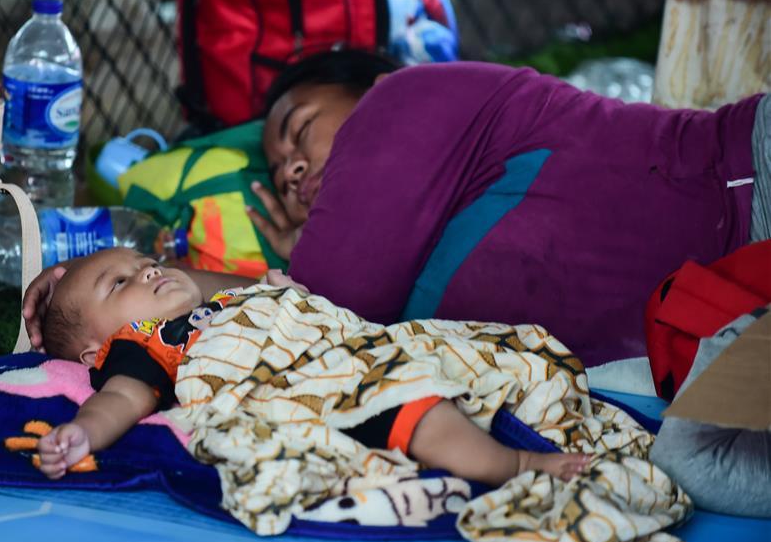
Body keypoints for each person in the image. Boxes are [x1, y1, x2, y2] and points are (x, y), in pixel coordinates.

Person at [244, 50, 769, 367]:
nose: (290, 171)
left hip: (748, 187)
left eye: (301, 129)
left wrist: (299, 270)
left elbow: (319, 313)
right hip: (726, 311)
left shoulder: (400, 97)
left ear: (370, 85)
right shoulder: (413, 226)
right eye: (279, 170)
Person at [34, 247, 589, 485]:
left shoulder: (223, 303)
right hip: (316, 386)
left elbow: (301, 319)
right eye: (121, 283)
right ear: (94, 353)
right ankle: (514, 466)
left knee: (472, 354)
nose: (148, 273)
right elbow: (122, 398)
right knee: (413, 410)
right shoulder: (144, 341)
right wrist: (83, 432)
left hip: (357, 348)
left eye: (145, 263)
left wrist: (283, 298)